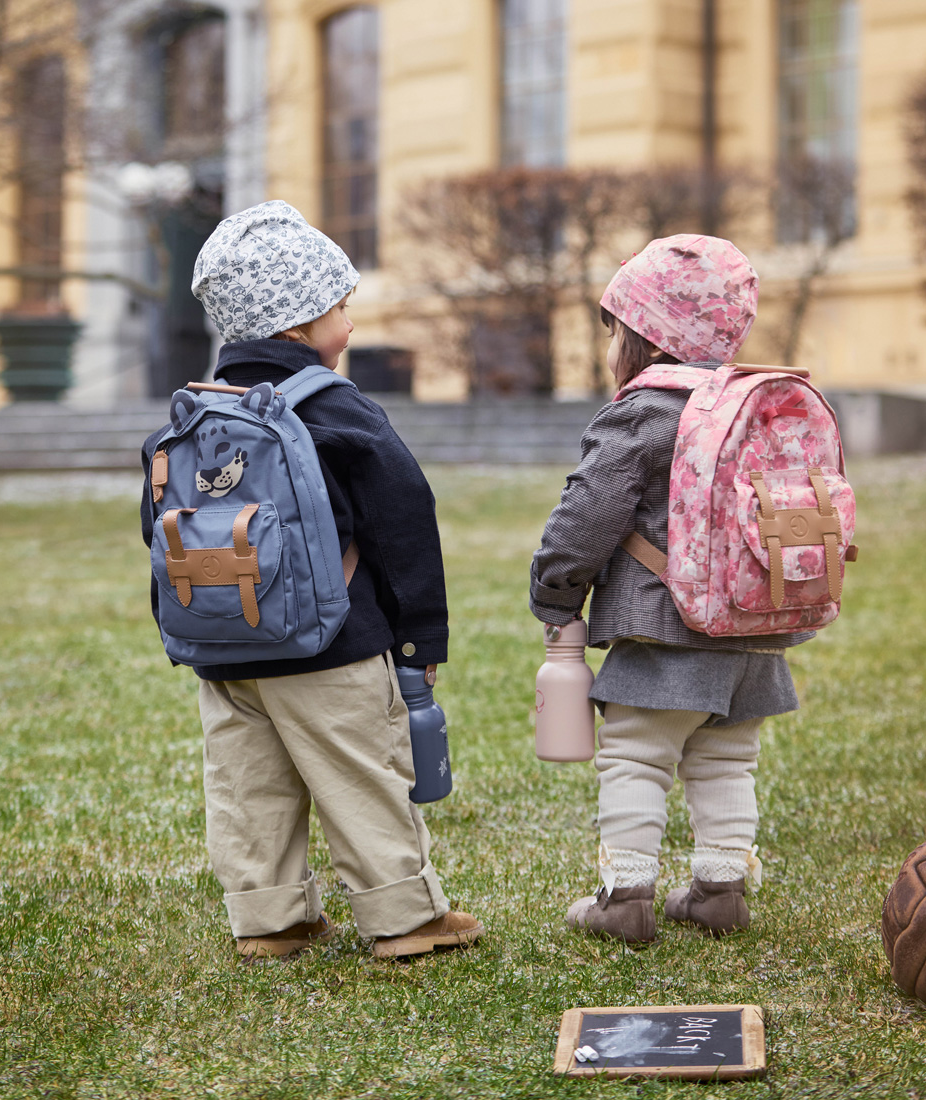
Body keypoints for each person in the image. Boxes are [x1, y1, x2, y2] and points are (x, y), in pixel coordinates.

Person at [142, 200, 482, 960]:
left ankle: (269, 921)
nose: (351, 322)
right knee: (362, 775)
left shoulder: (192, 418)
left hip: (225, 650)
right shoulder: (335, 406)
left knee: (245, 789)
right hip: (334, 644)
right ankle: (403, 917)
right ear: (297, 324)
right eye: (340, 305)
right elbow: (403, 520)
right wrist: (419, 633)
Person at [529, 234, 809, 944]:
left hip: (667, 629)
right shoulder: (755, 406)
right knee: (725, 758)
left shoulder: (644, 411)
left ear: (645, 340)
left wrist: (556, 591)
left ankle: (625, 897)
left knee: (635, 756)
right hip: (755, 630)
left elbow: (588, 514)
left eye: (615, 330)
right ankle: (720, 889)